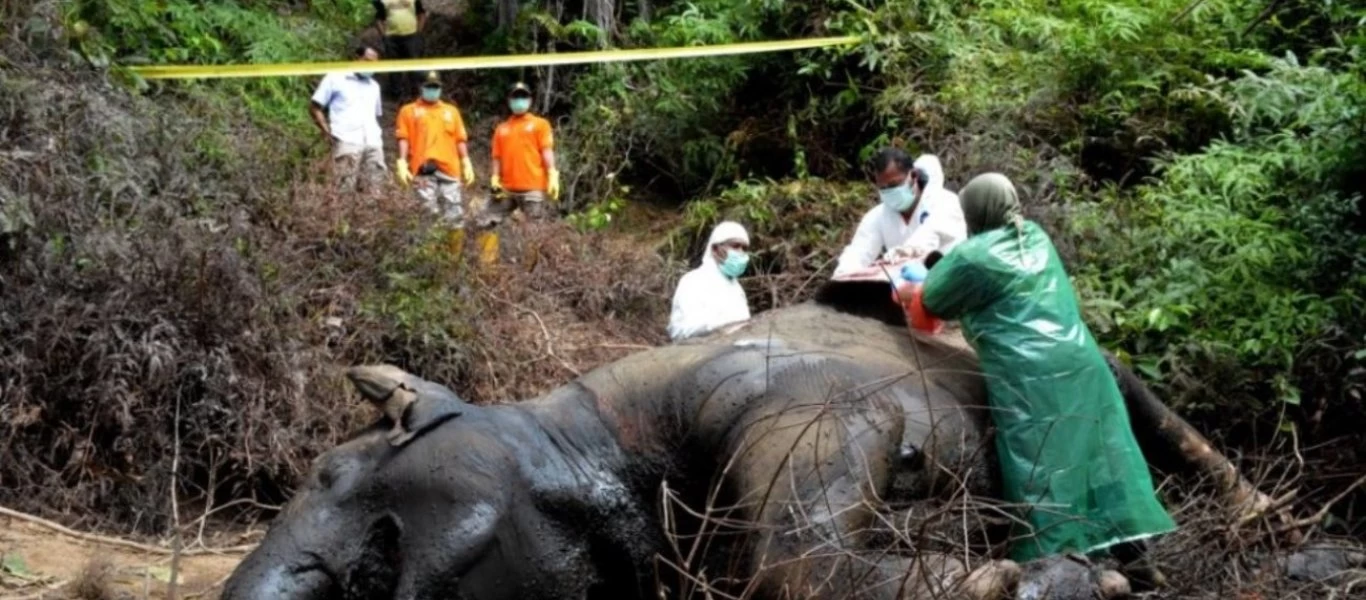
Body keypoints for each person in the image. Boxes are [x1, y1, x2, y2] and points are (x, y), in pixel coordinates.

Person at [918, 172, 1177, 585]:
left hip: (1031, 379)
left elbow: (934, 299)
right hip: (1082, 364)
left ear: (973, 211)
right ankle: (1139, 563)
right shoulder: (1034, 234)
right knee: (1103, 460)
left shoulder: (972, 256)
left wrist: (931, 268)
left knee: (1041, 471)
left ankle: (1059, 576)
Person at [832, 148, 967, 278]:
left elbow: (931, 234)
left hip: (949, 284)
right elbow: (859, 251)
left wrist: (905, 252)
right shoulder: (878, 216)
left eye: (893, 185)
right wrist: (843, 274)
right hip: (905, 290)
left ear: (913, 176)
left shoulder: (945, 202)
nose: (889, 192)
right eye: (883, 188)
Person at [394, 71, 475, 225]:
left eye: (436, 87)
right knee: (427, 213)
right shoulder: (408, 111)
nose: (433, 90)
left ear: (440, 88)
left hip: (450, 169)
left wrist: (466, 161)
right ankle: (431, 249)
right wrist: (402, 162)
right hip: (422, 168)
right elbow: (403, 137)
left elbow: (460, 139)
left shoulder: (451, 111)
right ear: (421, 87)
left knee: (454, 214)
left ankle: (454, 249)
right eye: (429, 86)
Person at [308, 44, 386, 193]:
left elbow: (374, 115)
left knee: (374, 191)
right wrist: (326, 131)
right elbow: (314, 107)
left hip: (373, 142)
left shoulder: (374, 86)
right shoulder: (336, 77)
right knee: (343, 190)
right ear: (356, 58)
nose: (371, 67)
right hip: (346, 140)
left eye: (375, 64)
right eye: (367, 61)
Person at [486, 82, 560, 224]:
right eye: (516, 97)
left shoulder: (541, 125)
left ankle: (532, 247)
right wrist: (495, 178)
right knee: (487, 220)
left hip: (532, 188)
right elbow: (497, 157)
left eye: (523, 96)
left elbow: (547, 150)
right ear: (509, 101)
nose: (519, 100)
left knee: (534, 231)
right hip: (507, 188)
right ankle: (483, 247)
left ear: (530, 100)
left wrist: (552, 173)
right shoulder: (502, 129)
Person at [668, 221, 752, 341]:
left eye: (744, 248)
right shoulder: (693, 282)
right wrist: (718, 325)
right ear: (715, 249)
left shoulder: (736, 289)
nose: (741, 252)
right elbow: (680, 331)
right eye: (735, 246)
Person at [372, 0, 428, 101]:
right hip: (392, 38)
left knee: (414, 64)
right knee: (394, 66)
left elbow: (421, 14)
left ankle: (415, 92)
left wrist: (418, 33)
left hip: (411, 36)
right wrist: (384, 36)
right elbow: (378, 19)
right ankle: (396, 93)